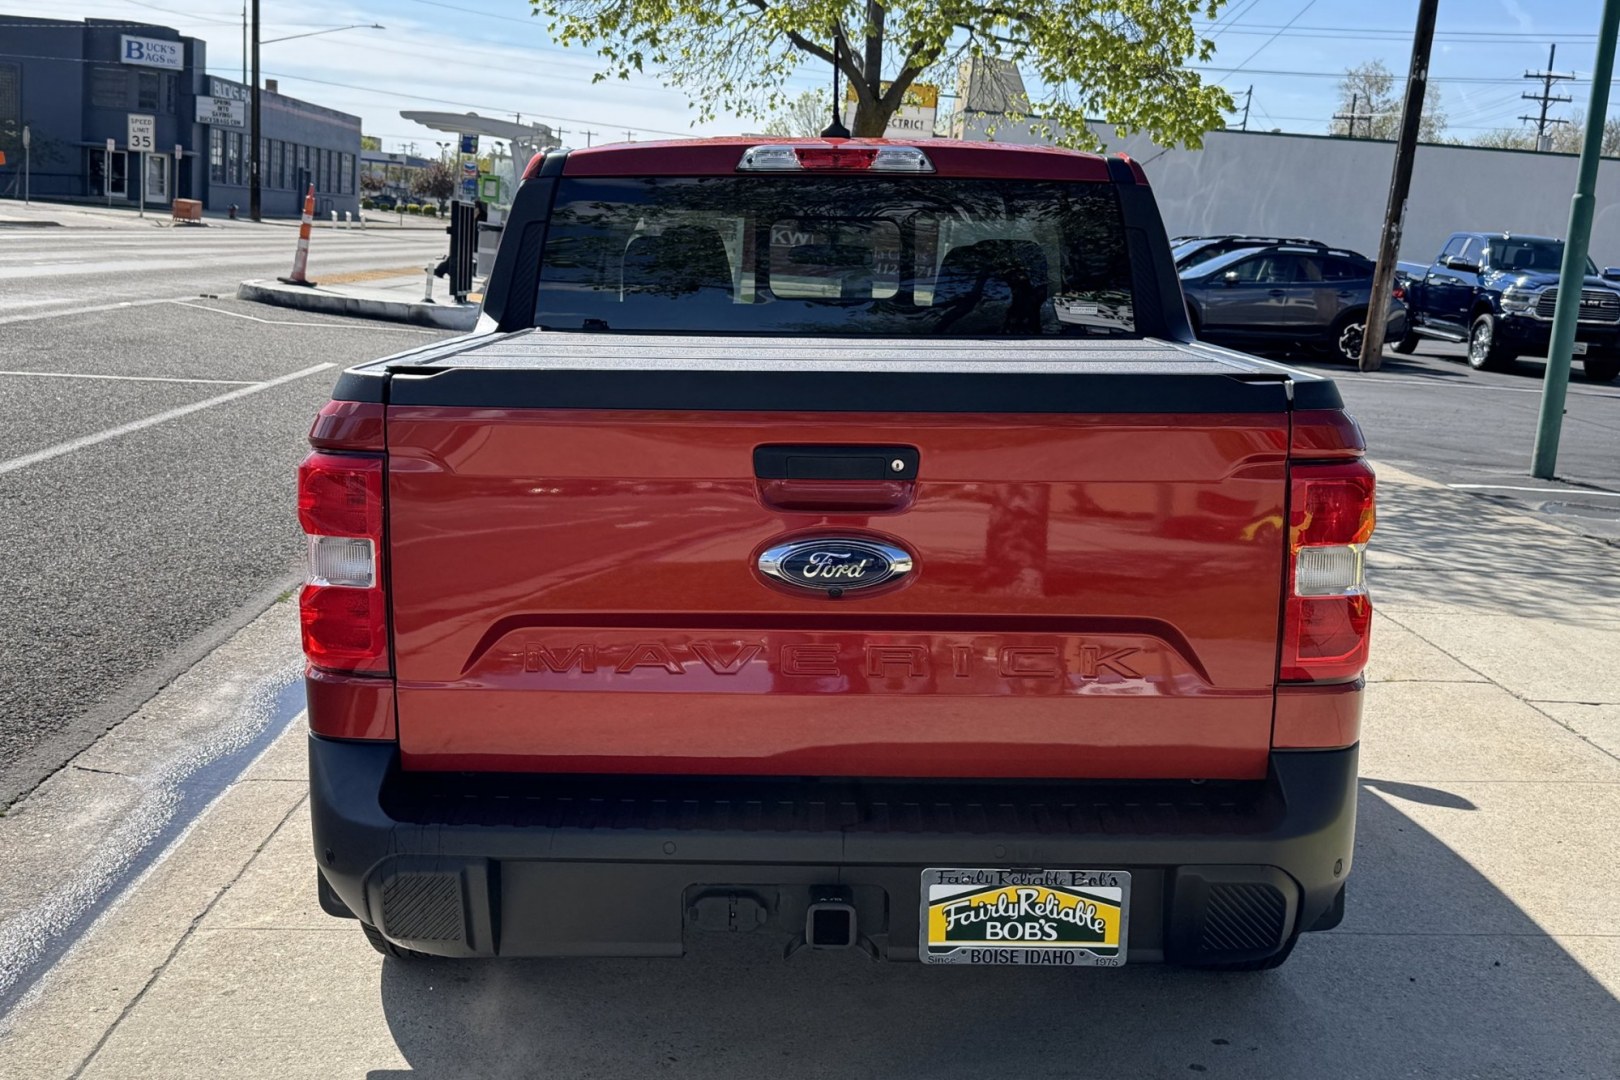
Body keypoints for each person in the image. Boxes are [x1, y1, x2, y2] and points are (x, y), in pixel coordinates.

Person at [433, 200, 488, 279]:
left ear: (477, 209)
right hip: (472, 243)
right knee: (456, 253)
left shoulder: (482, 218)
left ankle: (442, 270)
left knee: (458, 252)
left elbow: (476, 233)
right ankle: (443, 270)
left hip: (477, 245)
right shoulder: (474, 217)